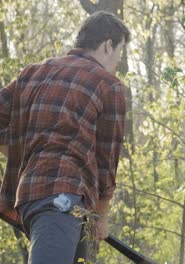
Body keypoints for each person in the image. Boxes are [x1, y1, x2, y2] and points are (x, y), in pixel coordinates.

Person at [0, 11, 129, 264]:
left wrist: (26, 149)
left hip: (38, 200)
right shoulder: (107, 84)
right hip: (62, 202)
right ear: (108, 44)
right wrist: (102, 218)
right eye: (120, 50)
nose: (118, 60)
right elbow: (106, 160)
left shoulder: (32, 73)